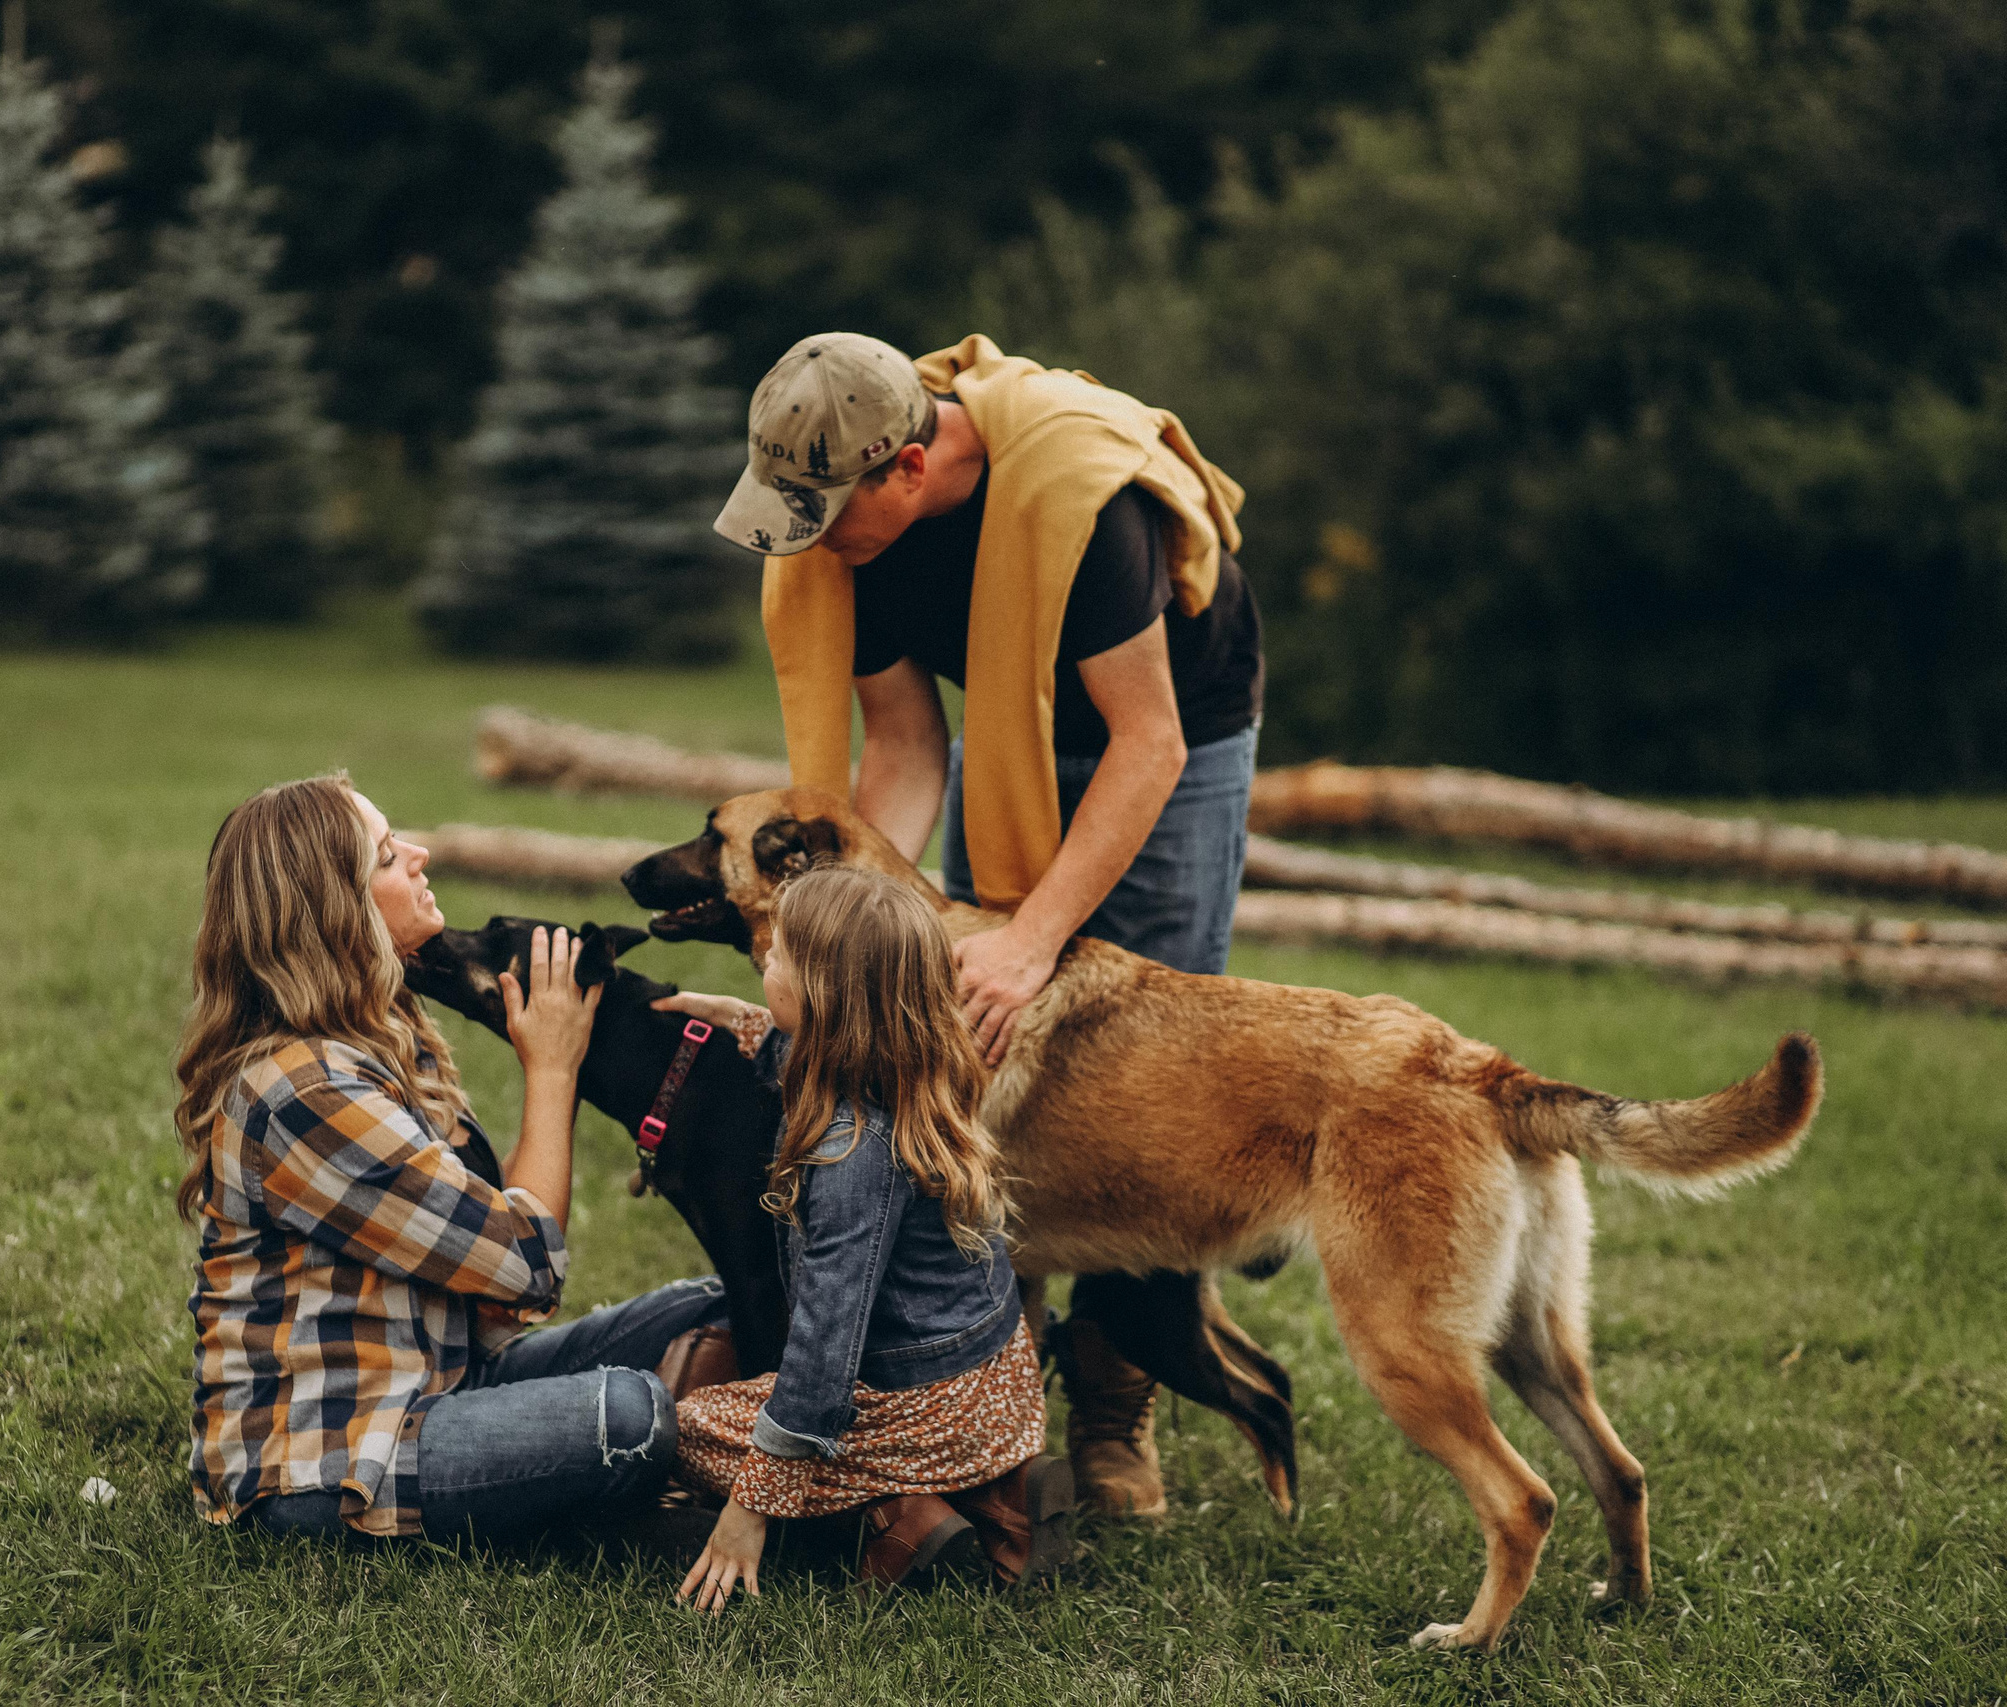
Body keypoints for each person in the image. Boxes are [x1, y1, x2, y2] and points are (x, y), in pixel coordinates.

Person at [714, 332, 1265, 1517]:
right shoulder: (855, 536)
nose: (811, 542)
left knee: (1143, 1094)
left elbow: (1148, 744)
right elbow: (906, 743)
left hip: (1168, 736)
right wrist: (853, 925)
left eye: (827, 516)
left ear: (908, 469)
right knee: (972, 1052)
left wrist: (1027, 942)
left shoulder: (1082, 499)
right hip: (1012, 734)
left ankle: (1115, 1399)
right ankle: (987, 1402)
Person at [173, 773, 729, 1543]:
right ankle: (664, 1491)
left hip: (445, 1382)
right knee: (628, 1415)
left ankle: (660, 1481)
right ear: (336, 910)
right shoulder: (304, 1090)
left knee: (714, 1306)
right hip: (326, 1462)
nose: (421, 855)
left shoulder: (381, 1034)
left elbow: (493, 1281)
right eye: (387, 855)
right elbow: (525, 1264)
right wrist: (553, 1070)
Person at [651, 866, 1072, 1608]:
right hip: (1000, 1381)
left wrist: (753, 1502)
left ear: (823, 995)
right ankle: (997, 1488)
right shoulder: (913, 1067)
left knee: (683, 1427)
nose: (764, 958)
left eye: (779, 954)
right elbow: (800, 1044)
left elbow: (825, 1350)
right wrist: (749, 1021)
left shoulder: (849, 1151)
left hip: (928, 1405)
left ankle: (905, 1515)